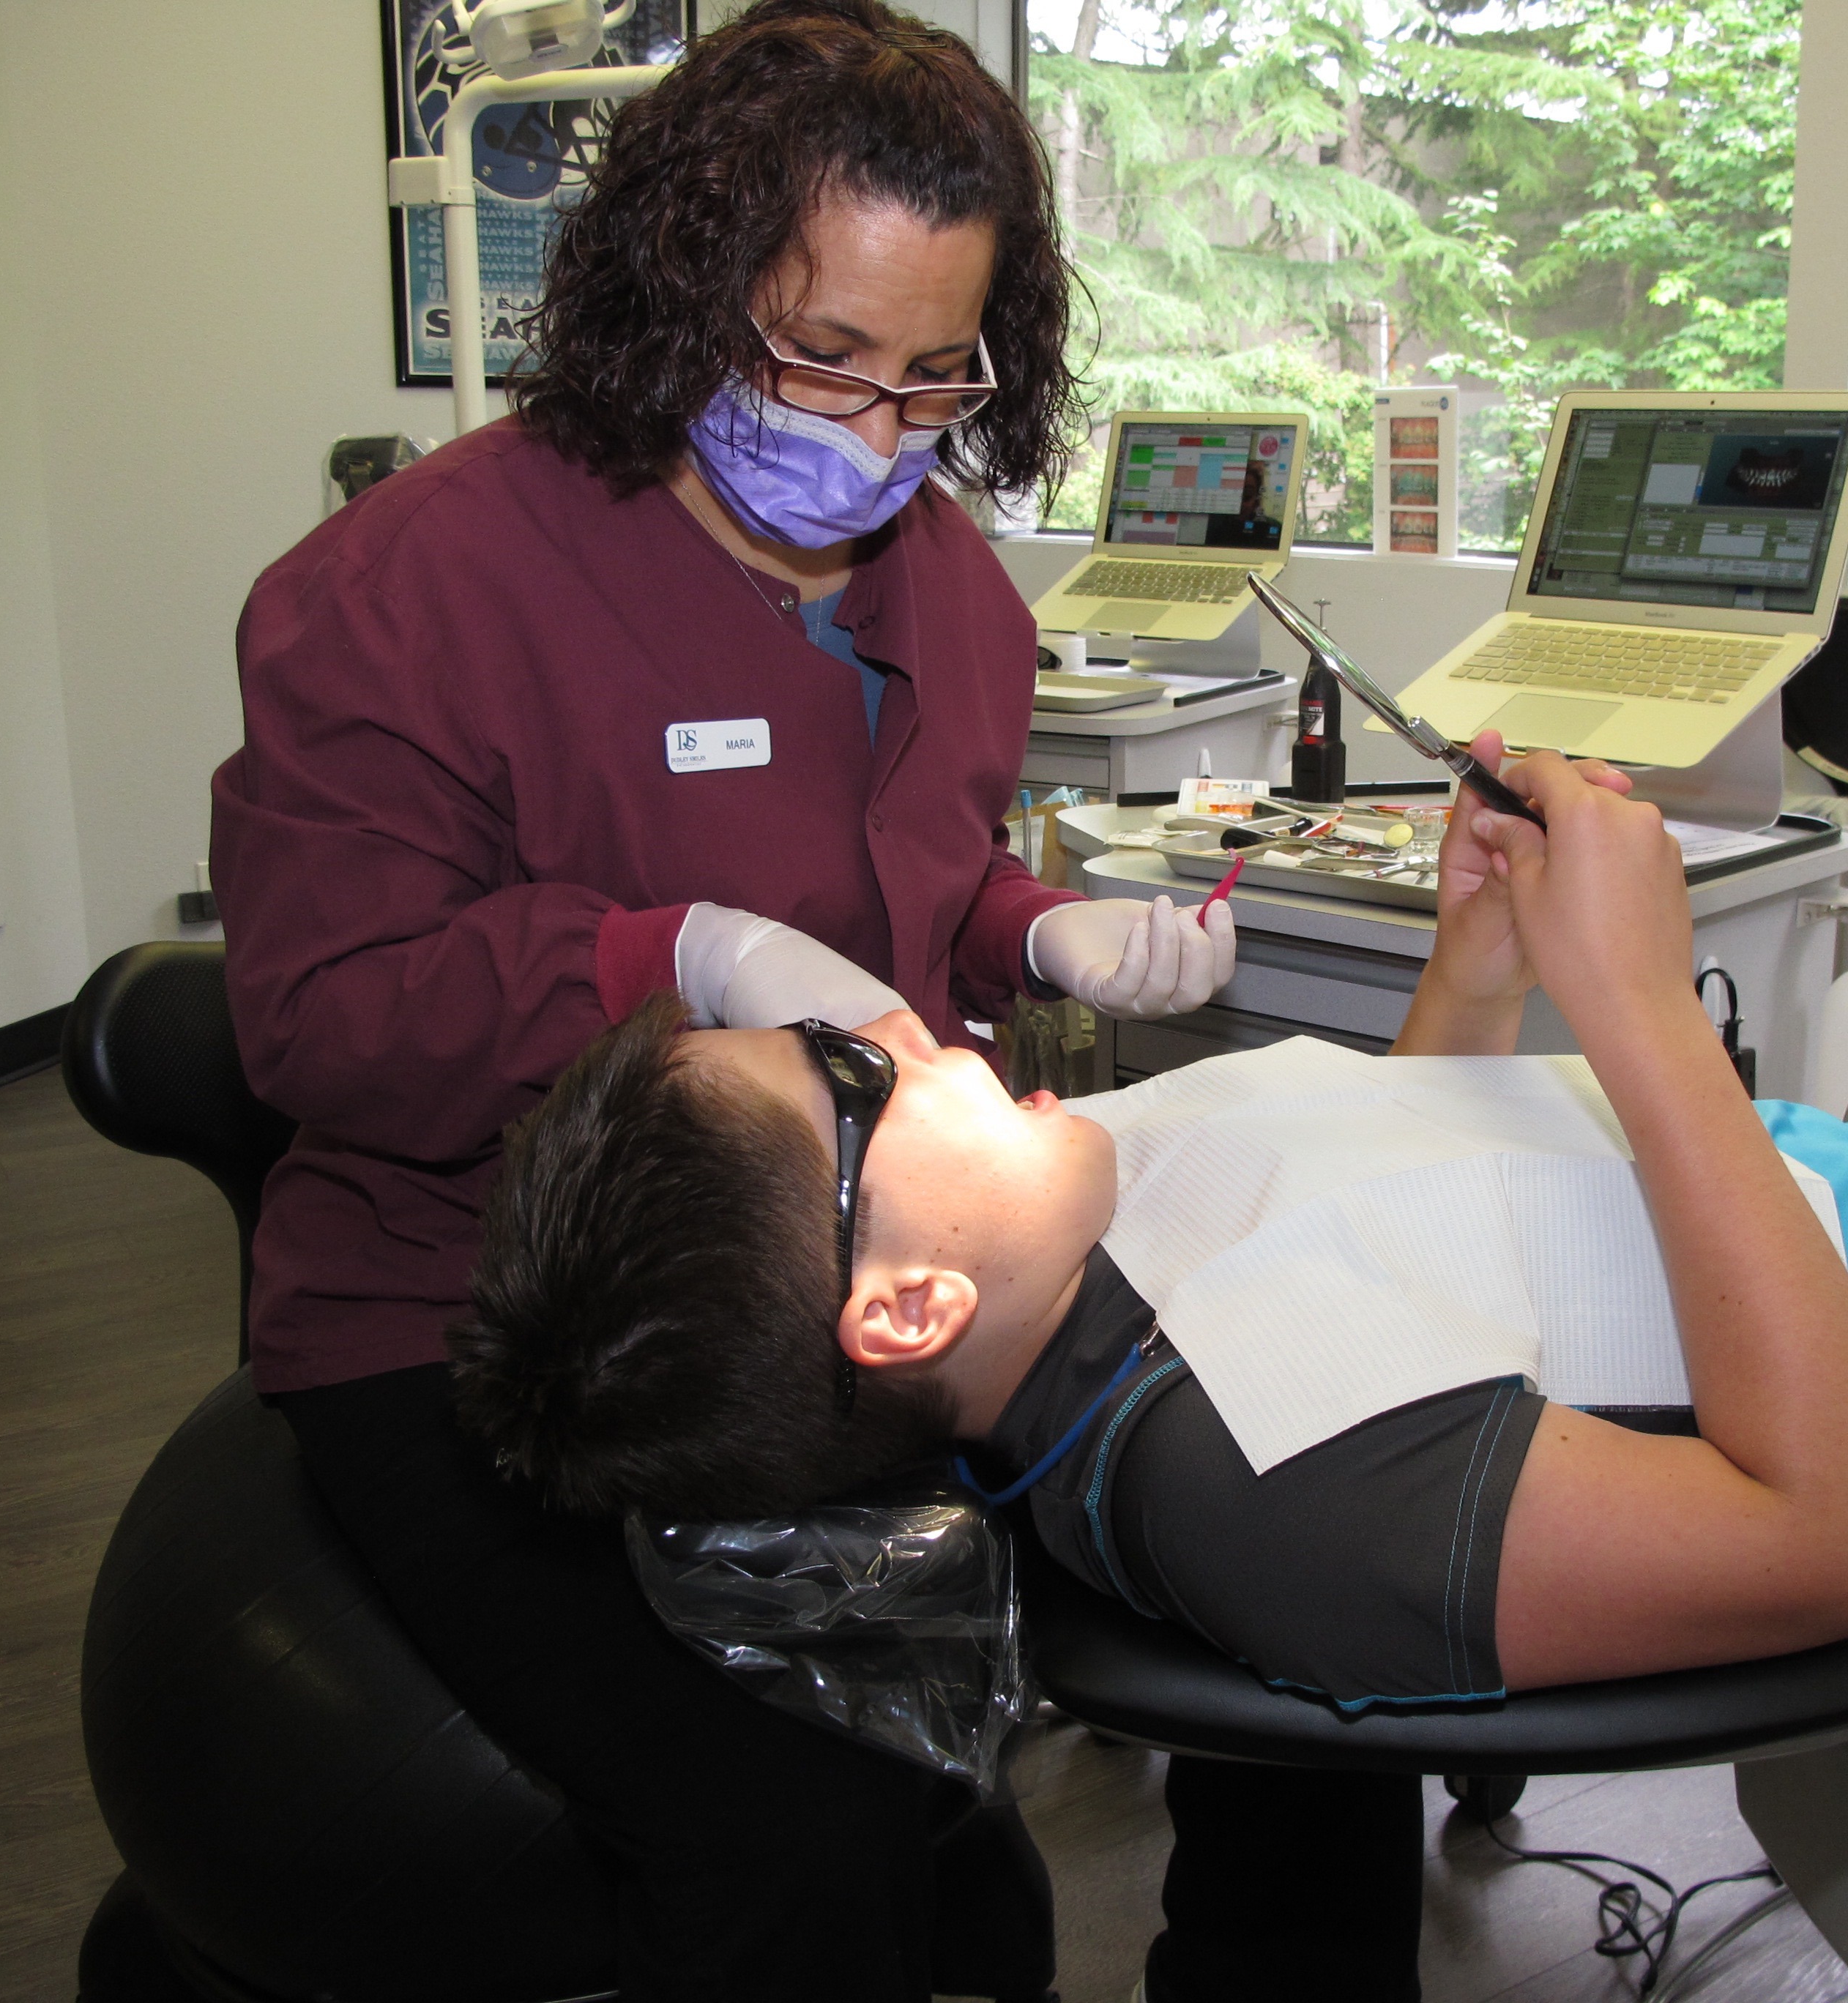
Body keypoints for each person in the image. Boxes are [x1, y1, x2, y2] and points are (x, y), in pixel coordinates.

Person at [205, 3, 1329, 1996]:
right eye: (819, 357)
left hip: (860, 1288)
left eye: (931, 376)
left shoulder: (947, 589)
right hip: (484, 1319)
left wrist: (1025, 934)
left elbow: (888, 869)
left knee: (1291, 1581)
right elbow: (322, 1017)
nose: (873, 433)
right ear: (673, 288)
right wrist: (665, 959)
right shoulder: (402, 596)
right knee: (794, 1831)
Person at [452, 736, 1848, 1720]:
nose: (888, 1024)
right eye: (841, 1082)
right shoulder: (1260, 1488)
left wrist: (1489, 968)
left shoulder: (1075, 1222)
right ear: (903, 1306)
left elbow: (1399, 1204)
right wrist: (1638, 1007)